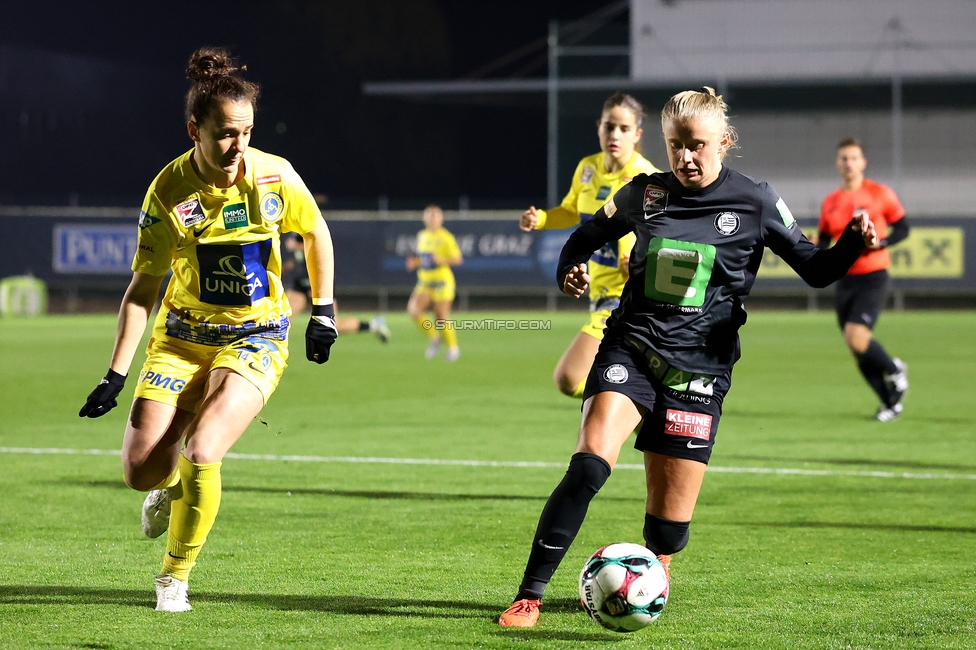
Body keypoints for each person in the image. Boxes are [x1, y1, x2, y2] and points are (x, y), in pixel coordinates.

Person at [498, 87, 878, 628]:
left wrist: (853, 246)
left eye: (696, 145)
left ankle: (653, 573)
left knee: (667, 531)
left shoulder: (757, 201)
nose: (685, 158)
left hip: (700, 370)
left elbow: (817, 269)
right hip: (632, 345)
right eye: (676, 146)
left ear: (724, 141)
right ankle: (529, 596)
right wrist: (570, 270)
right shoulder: (643, 194)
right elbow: (582, 237)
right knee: (587, 465)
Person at [77, 47, 338, 612]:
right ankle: (169, 493)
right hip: (180, 339)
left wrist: (324, 308)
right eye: (224, 133)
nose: (237, 146)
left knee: (202, 451)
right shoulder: (168, 192)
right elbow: (143, 291)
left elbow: (316, 233)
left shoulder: (274, 175)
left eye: (246, 132)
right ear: (194, 129)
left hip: (257, 334)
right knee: (141, 471)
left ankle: (174, 576)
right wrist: (115, 373)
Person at [520, 93, 661, 398]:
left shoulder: (645, 177)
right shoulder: (588, 168)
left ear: (637, 134)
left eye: (624, 129)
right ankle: (643, 422)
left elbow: (662, 233)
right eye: (609, 126)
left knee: (569, 378)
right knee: (612, 383)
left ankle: (633, 413)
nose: (615, 135)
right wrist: (542, 218)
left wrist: (639, 260)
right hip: (599, 294)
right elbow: (572, 210)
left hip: (626, 298)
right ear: (599, 128)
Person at [818, 138, 909, 422]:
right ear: (837, 163)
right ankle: (889, 404)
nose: (848, 163)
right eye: (843, 158)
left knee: (857, 337)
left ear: (863, 162)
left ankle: (894, 369)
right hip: (845, 280)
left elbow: (903, 228)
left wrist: (880, 243)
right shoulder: (831, 202)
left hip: (873, 275)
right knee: (856, 349)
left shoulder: (880, 194)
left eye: (853, 158)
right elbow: (823, 242)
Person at [281, 232, 391, 343]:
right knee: (282, 318)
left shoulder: (312, 230)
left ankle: (374, 325)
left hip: (320, 285)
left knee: (333, 327)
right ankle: (271, 351)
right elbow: (301, 257)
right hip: (301, 285)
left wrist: (296, 245)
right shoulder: (296, 229)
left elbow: (314, 250)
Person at [406, 204, 463, 361]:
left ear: (441, 219)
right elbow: (425, 259)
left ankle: (453, 348)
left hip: (442, 282)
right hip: (425, 282)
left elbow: (458, 259)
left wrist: (442, 259)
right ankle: (434, 336)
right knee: (414, 310)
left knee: (440, 317)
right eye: (429, 215)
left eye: (435, 216)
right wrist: (415, 263)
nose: (431, 219)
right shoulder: (422, 236)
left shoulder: (446, 237)